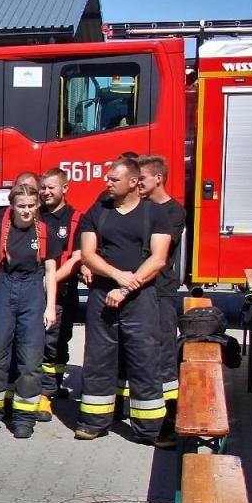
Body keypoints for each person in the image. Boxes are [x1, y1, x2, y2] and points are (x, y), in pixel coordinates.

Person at [75, 157, 173, 442]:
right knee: (99, 359)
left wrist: (127, 288)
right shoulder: (97, 211)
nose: (107, 183)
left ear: (133, 182)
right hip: (102, 296)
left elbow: (158, 259)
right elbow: (88, 254)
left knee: (144, 360)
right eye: (107, 178)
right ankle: (93, 422)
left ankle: (150, 429)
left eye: (113, 179)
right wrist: (117, 277)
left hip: (140, 297)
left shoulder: (155, 214)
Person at [0, 184, 58, 438]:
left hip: (32, 291)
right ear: (12, 206)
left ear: (38, 206)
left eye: (31, 206)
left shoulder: (44, 233)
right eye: (21, 206)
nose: (26, 211)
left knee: (30, 360)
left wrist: (50, 307)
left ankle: (24, 418)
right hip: (4, 289)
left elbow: (51, 272)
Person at [138, 154, 187, 430]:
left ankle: (171, 410)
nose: (138, 184)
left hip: (162, 289)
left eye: (142, 178)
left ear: (158, 178)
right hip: (142, 288)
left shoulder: (173, 212)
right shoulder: (140, 207)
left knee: (165, 347)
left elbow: (157, 251)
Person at [37, 168, 85, 417]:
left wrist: (51, 280)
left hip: (64, 292)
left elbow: (77, 257)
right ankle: (43, 395)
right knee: (45, 343)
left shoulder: (77, 219)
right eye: (43, 187)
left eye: (51, 188)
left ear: (65, 188)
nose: (45, 192)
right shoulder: (34, 216)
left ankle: (53, 385)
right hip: (37, 293)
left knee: (59, 342)